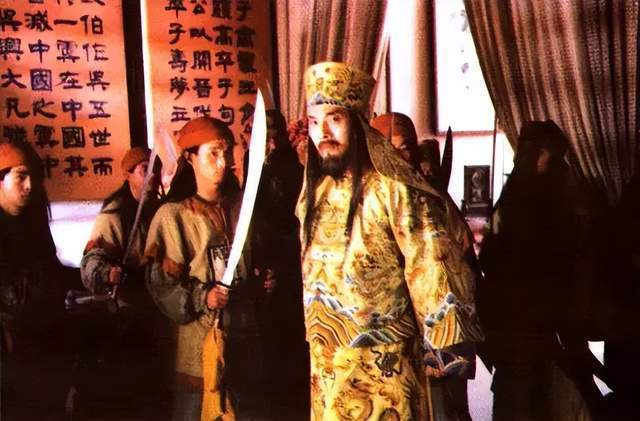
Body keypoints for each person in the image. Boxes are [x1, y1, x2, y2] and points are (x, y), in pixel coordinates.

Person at [298, 61, 483, 420]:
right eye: (314, 122)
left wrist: (443, 348)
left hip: (385, 366)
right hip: (327, 367)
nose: (323, 132)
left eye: (334, 119)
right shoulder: (314, 194)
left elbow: (430, 264)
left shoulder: (394, 189)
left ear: (358, 123)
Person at [144, 117, 274, 421]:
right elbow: (161, 286)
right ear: (191, 158)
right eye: (213, 153)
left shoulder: (242, 208)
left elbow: (254, 262)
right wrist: (203, 297)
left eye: (227, 152)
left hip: (245, 338)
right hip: (199, 347)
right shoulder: (173, 217)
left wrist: (263, 280)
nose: (223, 161)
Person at [479, 121, 602, 420]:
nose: (555, 163)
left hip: (526, 327)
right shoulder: (529, 201)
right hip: (527, 325)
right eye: (549, 154)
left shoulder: (516, 198)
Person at [371, 112, 477, 420]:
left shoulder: (431, 199)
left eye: (407, 147)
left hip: (439, 330)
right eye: (392, 148)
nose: (401, 157)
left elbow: (456, 263)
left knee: (446, 409)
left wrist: (444, 342)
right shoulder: (371, 197)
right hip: (391, 336)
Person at [78, 146, 167, 418]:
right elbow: (91, 261)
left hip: (160, 313)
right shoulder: (114, 214)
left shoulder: (163, 210)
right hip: (128, 316)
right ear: (128, 174)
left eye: (156, 170)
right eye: (144, 170)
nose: (152, 177)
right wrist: (107, 273)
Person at [0, 141, 78, 420]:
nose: (30, 185)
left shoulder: (33, 222)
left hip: (45, 347)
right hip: (11, 356)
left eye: (33, 177)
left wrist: (90, 277)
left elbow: (51, 271)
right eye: (21, 176)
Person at [249, 109, 308, 417]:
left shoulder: (291, 168)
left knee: (290, 351)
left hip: (290, 270)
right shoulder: (254, 165)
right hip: (261, 270)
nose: (269, 137)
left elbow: (293, 223)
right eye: (263, 130)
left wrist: (279, 267)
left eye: (274, 130)